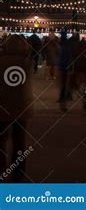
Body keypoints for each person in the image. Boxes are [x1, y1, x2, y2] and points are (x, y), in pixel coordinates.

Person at [0, 35, 34, 182]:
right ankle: (18, 174)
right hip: (22, 108)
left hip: (3, 106)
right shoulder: (27, 63)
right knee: (19, 142)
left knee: (1, 142)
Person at [57, 31, 72, 112]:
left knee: (63, 85)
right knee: (65, 86)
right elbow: (69, 57)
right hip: (65, 67)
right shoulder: (67, 46)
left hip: (60, 67)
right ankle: (63, 104)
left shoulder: (60, 45)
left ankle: (62, 101)